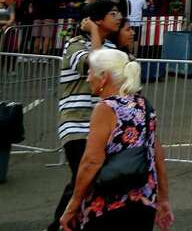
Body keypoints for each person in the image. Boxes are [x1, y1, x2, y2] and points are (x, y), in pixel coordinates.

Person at [58, 49, 171, 230]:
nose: (88, 79)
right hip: (144, 202)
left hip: (110, 205)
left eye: (90, 73)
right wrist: (163, 198)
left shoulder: (106, 109)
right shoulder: (143, 104)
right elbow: (157, 155)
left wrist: (73, 204)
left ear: (104, 77)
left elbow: (92, 161)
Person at [49, 0, 122, 231]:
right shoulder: (74, 45)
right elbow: (93, 66)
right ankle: (59, 225)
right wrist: (92, 32)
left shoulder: (109, 47)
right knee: (84, 178)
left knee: (89, 180)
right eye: (113, 13)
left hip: (102, 127)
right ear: (97, 20)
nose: (118, 17)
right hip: (77, 125)